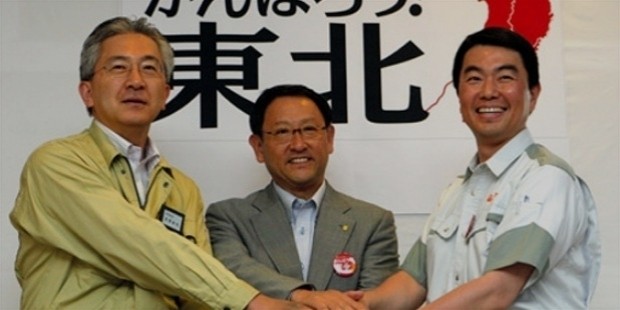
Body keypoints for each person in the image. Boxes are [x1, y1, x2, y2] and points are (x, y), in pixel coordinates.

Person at [9, 16, 305, 310]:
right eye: (119, 67)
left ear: (165, 94)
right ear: (87, 92)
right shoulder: (56, 163)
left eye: (149, 68)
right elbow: (134, 241)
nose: (136, 81)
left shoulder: (183, 189)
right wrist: (250, 301)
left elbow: (196, 298)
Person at [356, 27, 601, 309]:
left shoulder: (546, 178)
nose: (488, 92)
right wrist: (352, 304)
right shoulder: (455, 192)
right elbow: (411, 285)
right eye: (474, 79)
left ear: (533, 95)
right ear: (459, 96)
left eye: (505, 78)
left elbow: (498, 290)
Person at [205, 84, 399, 309]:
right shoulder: (228, 218)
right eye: (282, 132)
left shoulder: (373, 222)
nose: (298, 145)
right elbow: (232, 273)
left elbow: (376, 303)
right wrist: (301, 295)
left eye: (308, 129)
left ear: (329, 138)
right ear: (259, 146)